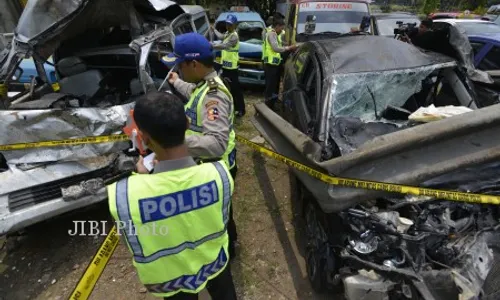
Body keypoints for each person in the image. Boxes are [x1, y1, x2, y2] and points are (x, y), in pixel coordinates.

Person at [107, 92, 237, 300]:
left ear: (143, 138)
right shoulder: (219, 175)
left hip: (169, 280)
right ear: (187, 124)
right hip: (215, 264)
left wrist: (145, 179)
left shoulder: (126, 194)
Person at [160, 32, 239, 258]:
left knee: (218, 216)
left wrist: (172, 140)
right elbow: (194, 93)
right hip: (211, 165)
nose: (179, 69)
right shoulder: (204, 85)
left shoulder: (215, 97)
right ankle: (230, 242)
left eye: (179, 65)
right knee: (223, 211)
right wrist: (176, 82)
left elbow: (216, 144)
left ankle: (227, 251)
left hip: (216, 165)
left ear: (193, 63)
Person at [211, 14, 246, 117]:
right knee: (227, 88)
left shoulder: (234, 36)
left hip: (232, 67)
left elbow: (224, 46)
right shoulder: (228, 33)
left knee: (235, 89)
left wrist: (211, 45)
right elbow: (221, 37)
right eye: (227, 24)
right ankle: (232, 107)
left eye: (230, 25)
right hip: (226, 66)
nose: (228, 26)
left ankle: (241, 109)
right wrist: (214, 30)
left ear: (234, 25)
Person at [263, 17, 298, 110]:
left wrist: (287, 45)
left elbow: (280, 44)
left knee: (275, 86)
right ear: (277, 26)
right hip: (270, 66)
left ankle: (273, 103)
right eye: (281, 28)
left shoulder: (275, 34)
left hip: (275, 65)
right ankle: (268, 106)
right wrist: (289, 48)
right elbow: (276, 48)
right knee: (270, 87)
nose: (282, 30)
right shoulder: (271, 34)